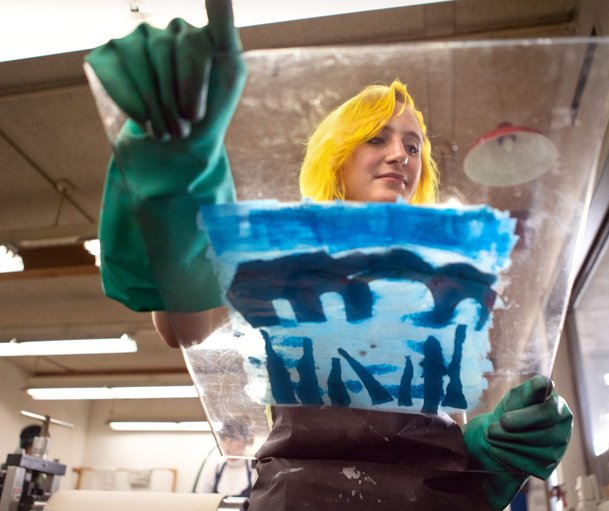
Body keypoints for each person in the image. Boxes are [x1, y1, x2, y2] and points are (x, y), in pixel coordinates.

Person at [85, 0, 573, 509]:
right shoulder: (284, 250)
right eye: (377, 138)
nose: (399, 155)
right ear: (338, 155)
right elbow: (185, 328)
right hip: (302, 498)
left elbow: (447, 416)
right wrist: (178, 176)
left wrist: (487, 451)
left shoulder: (445, 273)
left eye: (413, 146)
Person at [194, 419, 256, 497]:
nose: (228, 444)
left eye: (234, 439)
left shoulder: (254, 469)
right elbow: (201, 498)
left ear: (246, 441)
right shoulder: (215, 470)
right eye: (224, 438)